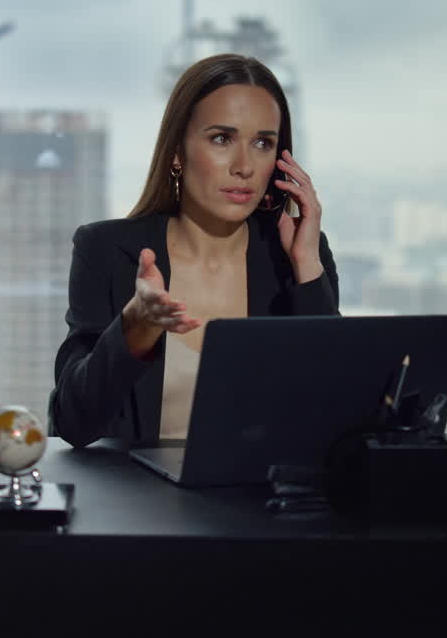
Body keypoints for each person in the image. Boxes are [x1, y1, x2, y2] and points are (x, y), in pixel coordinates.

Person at [50, 53, 340, 449]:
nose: (244, 166)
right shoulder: (105, 250)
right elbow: (72, 423)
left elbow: (334, 413)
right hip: (140, 490)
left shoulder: (301, 254)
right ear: (176, 151)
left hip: (260, 489)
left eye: (262, 143)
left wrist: (307, 269)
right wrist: (135, 326)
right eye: (222, 139)